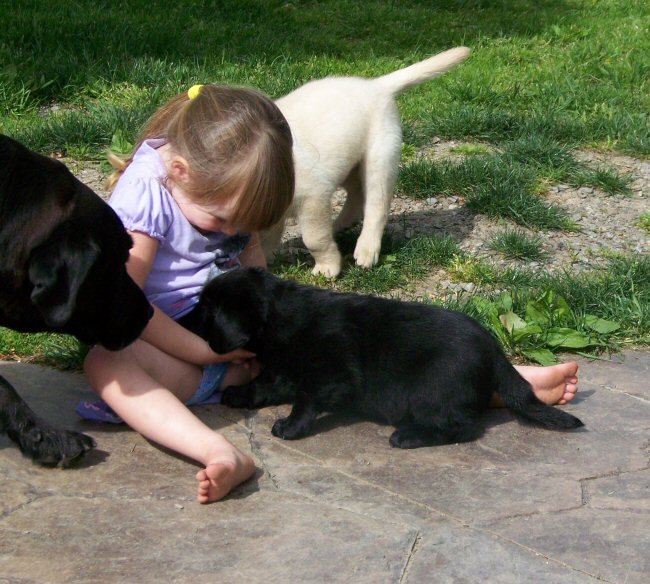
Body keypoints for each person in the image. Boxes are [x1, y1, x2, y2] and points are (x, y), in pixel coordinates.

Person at [82, 83, 579, 505]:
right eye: (222, 221)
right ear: (180, 171)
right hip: (171, 344)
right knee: (108, 358)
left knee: (343, 358)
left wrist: (266, 327)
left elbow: (253, 265)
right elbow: (125, 302)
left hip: (232, 349)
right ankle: (219, 452)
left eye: (245, 224)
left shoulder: (214, 186)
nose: (232, 232)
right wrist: (202, 350)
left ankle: (498, 381)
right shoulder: (145, 194)